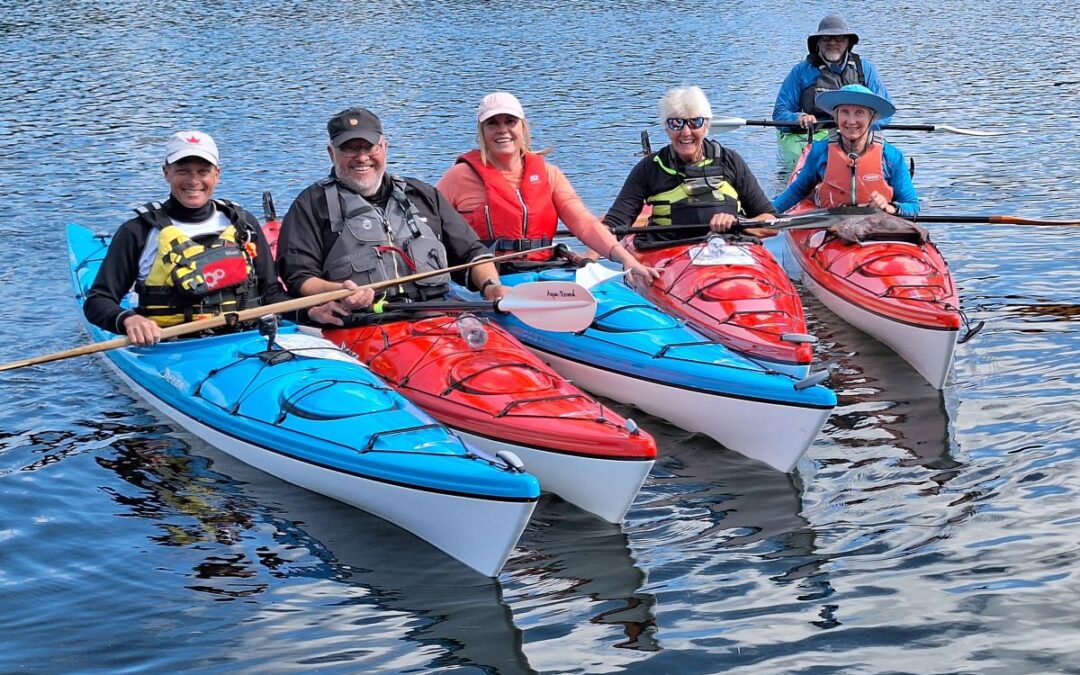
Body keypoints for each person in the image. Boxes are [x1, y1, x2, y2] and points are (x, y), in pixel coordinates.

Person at [84, 131, 372, 347]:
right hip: (172, 348)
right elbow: (98, 301)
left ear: (217, 175)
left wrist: (311, 312)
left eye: (203, 171)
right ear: (166, 173)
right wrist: (128, 320)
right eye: (182, 170)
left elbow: (271, 294)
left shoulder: (242, 223)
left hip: (245, 342)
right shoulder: (138, 231)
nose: (193, 180)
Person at [276, 107, 507, 318]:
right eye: (349, 148)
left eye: (369, 147)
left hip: (437, 318)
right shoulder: (310, 206)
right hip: (364, 324)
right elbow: (300, 278)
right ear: (331, 153)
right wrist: (338, 291)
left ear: (384, 147)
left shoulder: (422, 194)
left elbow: (472, 253)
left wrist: (490, 285)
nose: (362, 157)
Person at [436, 92, 659, 285]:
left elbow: (584, 223)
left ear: (523, 127)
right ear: (482, 132)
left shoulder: (549, 174)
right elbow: (428, 226)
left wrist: (626, 259)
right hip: (486, 280)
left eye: (510, 122)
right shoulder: (459, 177)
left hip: (543, 270)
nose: (502, 130)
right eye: (492, 123)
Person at [602, 85, 778, 240]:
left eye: (695, 122)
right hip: (670, 254)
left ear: (706, 125)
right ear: (666, 128)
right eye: (676, 123)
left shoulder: (730, 161)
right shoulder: (649, 168)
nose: (686, 132)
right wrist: (587, 261)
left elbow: (771, 222)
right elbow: (615, 223)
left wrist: (739, 222)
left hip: (730, 249)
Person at [772, 84, 919, 216]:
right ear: (836, 116)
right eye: (844, 112)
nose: (850, 121)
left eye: (859, 112)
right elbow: (796, 192)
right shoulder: (820, 152)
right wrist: (765, 213)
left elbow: (913, 206)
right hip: (832, 227)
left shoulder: (892, 157)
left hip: (877, 229)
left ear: (872, 118)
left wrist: (891, 207)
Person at [772, 14, 892, 130]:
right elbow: (780, 113)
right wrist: (799, 118)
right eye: (826, 38)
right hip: (814, 134)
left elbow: (885, 111)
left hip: (857, 132)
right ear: (818, 41)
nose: (832, 43)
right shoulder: (801, 71)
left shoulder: (865, 68)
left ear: (847, 42)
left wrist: (865, 126)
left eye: (839, 38)